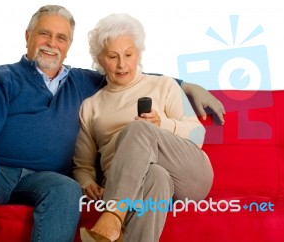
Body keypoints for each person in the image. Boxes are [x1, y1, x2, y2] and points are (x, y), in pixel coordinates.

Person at [0, 5, 222, 242]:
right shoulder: (2, 77)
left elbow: (134, 77)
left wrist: (187, 85)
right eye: (45, 34)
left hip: (181, 172)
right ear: (28, 36)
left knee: (123, 143)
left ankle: (113, 217)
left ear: (68, 46)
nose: (52, 43)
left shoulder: (89, 82)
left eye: (61, 37)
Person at [73, 13, 214, 242]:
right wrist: (87, 182)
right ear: (99, 59)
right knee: (155, 176)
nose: (122, 64)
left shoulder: (164, 85)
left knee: (137, 129)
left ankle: (112, 216)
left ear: (138, 53)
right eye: (112, 56)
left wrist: (162, 124)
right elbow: (82, 165)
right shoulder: (91, 106)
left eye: (128, 54)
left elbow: (199, 134)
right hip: (132, 184)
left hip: (189, 174)